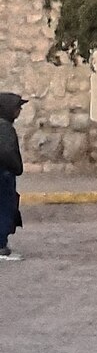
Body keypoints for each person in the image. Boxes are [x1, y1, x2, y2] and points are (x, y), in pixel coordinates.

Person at [0, 92, 24, 261]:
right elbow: (7, 152)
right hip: (4, 175)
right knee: (4, 208)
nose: (19, 111)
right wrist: (17, 167)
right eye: (17, 107)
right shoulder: (4, 128)